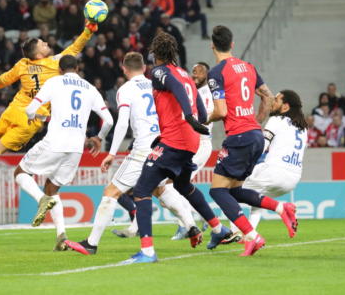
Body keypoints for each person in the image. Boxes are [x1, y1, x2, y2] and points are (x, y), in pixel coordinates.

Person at [65, 52, 199, 255]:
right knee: (161, 190)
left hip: (142, 149)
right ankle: (191, 226)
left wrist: (111, 153)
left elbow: (122, 123)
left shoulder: (125, 90)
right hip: (163, 146)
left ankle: (91, 243)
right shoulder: (156, 85)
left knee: (111, 192)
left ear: (124, 69)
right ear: (145, 68)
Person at [121, 31, 229, 264]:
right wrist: (197, 120)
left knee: (141, 190)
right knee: (182, 184)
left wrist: (189, 117)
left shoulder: (160, 72)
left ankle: (147, 251)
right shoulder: (184, 73)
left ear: (154, 53)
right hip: (190, 141)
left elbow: (178, 92)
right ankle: (218, 228)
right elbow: (199, 105)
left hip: (175, 140)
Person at [0, 21, 98, 181]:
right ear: (39, 54)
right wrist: (88, 31)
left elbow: (4, 80)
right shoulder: (55, 64)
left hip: (15, 109)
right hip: (31, 118)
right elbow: (75, 48)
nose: (46, 43)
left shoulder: (23, 64)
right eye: (42, 44)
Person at [206, 25, 297, 256]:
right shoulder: (249, 67)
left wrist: (202, 120)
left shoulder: (217, 72)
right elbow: (268, 94)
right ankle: (280, 206)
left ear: (212, 45)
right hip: (255, 135)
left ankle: (253, 236)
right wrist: (258, 119)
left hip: (238, 136)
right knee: (234, 191)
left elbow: (221, 111)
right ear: (232, 44)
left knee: (217, 192)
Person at [14, 55, 113, 250]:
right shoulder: (90, 88)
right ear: (77, 68)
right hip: (76, 148)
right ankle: (61, 236)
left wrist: (37, 116)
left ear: (59, 69)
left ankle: (41, 200)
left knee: (20, 173)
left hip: (54, 142)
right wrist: (99, 138)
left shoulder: (54, 82)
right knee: (53, 188)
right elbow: (109, 120)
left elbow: (31, 109)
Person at [228, 90, 308, 236]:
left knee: (229, 190)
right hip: (293, 179)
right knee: (257, 197)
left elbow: (262, 145)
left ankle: (234, 232)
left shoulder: (276, 120)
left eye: (276, 100)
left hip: (274, 172)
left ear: (285, 106)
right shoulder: (303, 128)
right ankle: (248, 233)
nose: (273, 102)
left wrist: (245, 163)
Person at [171, 62, 215, 240]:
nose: (194, 75)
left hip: (202, 143)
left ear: (206, 75)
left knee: (179, 185)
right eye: (193, 72)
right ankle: (202, 219)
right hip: (192, 143)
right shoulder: (194, 92)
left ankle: (186, 225)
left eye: (198, 73)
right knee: (180, 185)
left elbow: (205, 117)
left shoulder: (208, 94)